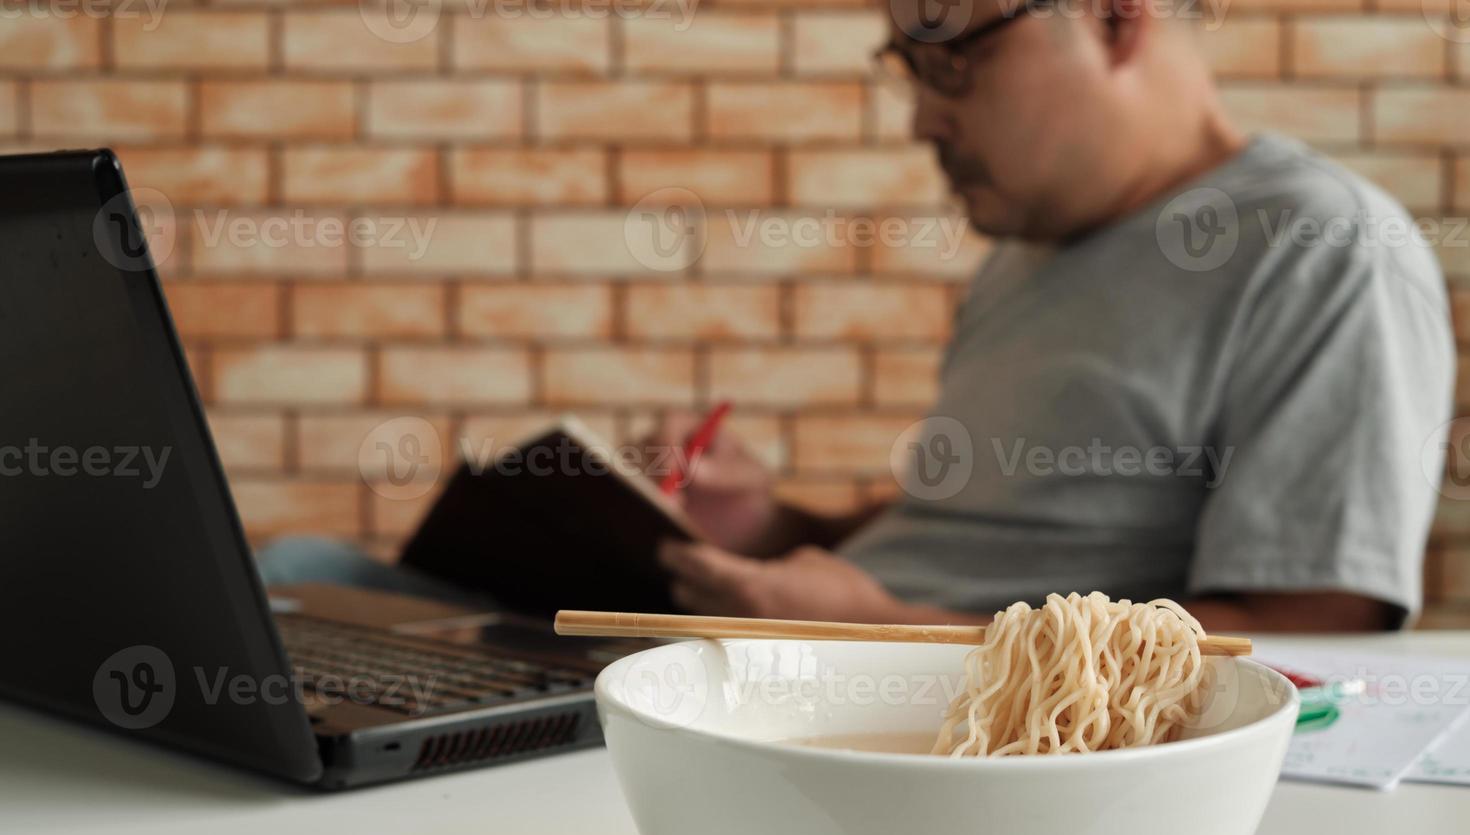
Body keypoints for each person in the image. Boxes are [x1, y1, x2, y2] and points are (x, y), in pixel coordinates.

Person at [261, 0, 1456, 631]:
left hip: (890, 711)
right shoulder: (1027, 255)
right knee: (297, 573)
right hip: (810, 657)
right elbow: (977, 530)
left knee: (296, 590)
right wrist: (780, 525)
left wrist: (888, 635)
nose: (921, 124)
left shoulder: (1319, 249)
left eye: (952, 65)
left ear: (1113, 16)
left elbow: (1316, 651)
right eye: (909, 68)